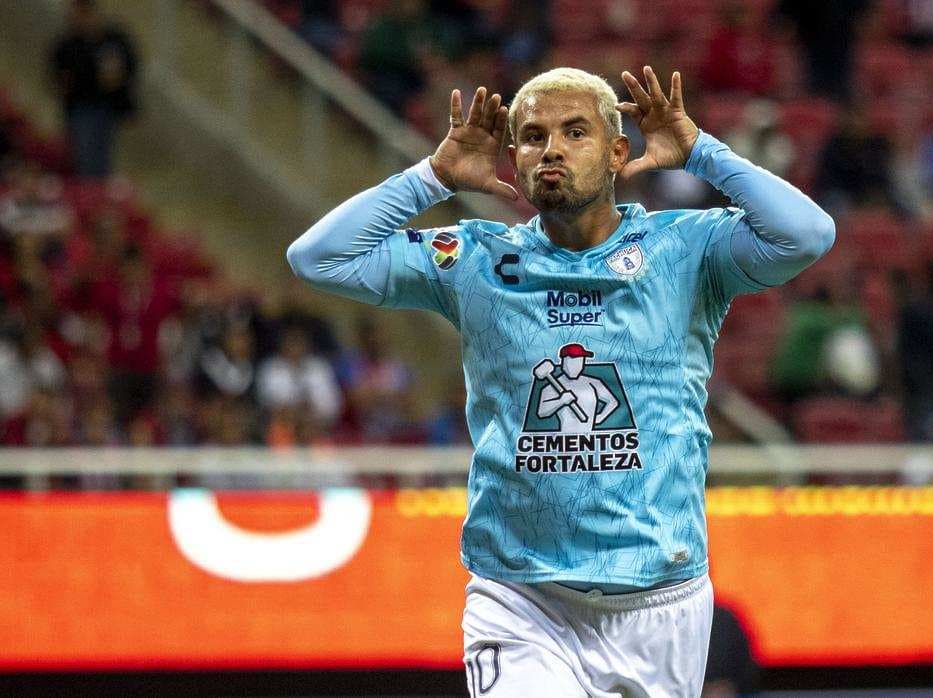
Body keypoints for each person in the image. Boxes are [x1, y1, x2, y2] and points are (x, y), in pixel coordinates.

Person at [287, 66, 835, 695]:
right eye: (532, 136)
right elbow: (318, 258)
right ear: (514, 160)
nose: (551, 149)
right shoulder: (476, 259)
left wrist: (700, 152)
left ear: (618, 153)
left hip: (661, 601)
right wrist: (432, 177)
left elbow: (808, 234)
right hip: (521, 599)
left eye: (575, 132)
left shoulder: (686, 251)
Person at [49, 0, 138, 179]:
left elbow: (130, 64)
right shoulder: (69, 45)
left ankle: (98, 187)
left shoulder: (113, 39)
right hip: (81, 107)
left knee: (102, 154)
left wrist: (118, 76)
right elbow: (60, 74)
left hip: (108, 106)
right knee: (85, 155)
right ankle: (89, 187)